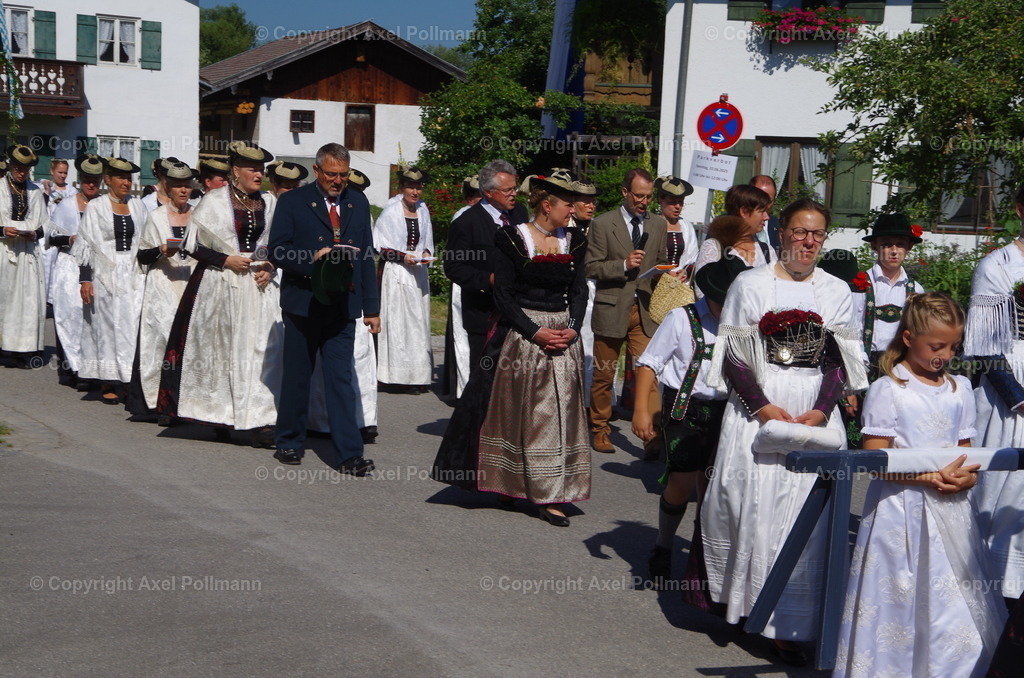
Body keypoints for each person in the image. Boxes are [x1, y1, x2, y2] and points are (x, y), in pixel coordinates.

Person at [700, 198, 867, 665]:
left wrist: (821, 410)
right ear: (781, 232)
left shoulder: (835, 290)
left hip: (814, 410)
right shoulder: (749, 284)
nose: (808, 242)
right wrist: (763, 407)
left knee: (804, 515)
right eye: (799, 232)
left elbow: (840, 360)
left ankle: (792, 624)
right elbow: (735, 356)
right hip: (759, 408)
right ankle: (748, 604)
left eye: (817, 234)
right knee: (750, 505)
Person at [835, 292, 1006, 677]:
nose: (945, 355)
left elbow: (966, 451)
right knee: (900, 593)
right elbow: (875, 457)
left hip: (952, 511)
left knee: (953, 598)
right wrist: (925, 476)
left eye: (953, 347)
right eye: (936, 346)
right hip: (900, 511)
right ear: (909, 338)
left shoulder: (960, 389)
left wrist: (968, 477)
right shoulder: (890, 388)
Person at [433, 169, 590, 525]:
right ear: (547, 205)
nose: (574, 210)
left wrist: (573, 328)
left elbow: (579, 290)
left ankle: (551, 493)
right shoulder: (512, 238)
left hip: (562, 335)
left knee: (557, 414)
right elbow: (503, 294)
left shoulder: (575, 240)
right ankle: (509, 482)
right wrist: (534, 331)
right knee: (517, 413)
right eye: (568, 204)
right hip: (522, 336)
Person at [157, 142, 280, 448]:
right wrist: (226, 260)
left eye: (261, 169)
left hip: (258, 288)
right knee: (222, 350)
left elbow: (280, 243)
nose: (259, 174)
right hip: (221, 285)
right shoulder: (214, 201)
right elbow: (193, 245)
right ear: (235, 170)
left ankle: (262, 419)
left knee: (262, 351)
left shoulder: (269, 202)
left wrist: (271, 266)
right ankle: (219, 415)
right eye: (252, 169)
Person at [634, 254, 747, 587]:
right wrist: (641, 410)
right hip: (685, 410)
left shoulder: (744, 325)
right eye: (722, 300)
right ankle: (664, 545)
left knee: (712, 487)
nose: (728, 307)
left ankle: (701, 554)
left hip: (726, 413)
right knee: (681, 484)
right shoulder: (681, 318)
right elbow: (649, 364)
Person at [268, 142, 378, 475]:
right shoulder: (292, 201)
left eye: (343, 174)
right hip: (303, 304)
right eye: (331, 174)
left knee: (341, 380)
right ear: (317, 170)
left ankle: (349, 453)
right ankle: (289, 441)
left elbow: (366, 257)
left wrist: (372, 308)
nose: (338, 180)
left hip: (342, 305)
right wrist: (311, 260)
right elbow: (277, 250)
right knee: (298, 376)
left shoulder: (358, 202)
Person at [965, 184, 1024, 608]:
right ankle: (993, 590)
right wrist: (1018, 398)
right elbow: (984, 345)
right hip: (1010, 393)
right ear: (1020, 210)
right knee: (1000, 486)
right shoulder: (997, 265)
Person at [585, 168, 669, 455]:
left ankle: (652, 435)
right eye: (639, 196)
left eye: (648, 197)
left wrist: (667, 273)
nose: (644, 202)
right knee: (604, 374)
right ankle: (600, 428)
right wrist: (623, 264)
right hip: (612, 308)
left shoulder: (658, 224)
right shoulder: (602, 223)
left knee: (649, 373)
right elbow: (591, 267)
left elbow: (660, 261)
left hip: (643, 310)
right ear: (624, 192)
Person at [72, 157, 148, 403]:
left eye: (128, 178)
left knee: (131, 325)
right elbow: (85, 246)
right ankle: (108, 380)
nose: (126, 182)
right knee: (106, 326)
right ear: (108, 179)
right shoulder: (96, 207)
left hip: (133, 273)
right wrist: (85, 280)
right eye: (120, 177)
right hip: (104, 273)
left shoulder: (138, 206)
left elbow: (146, 240)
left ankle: (128, 378)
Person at [444, 159, 529, 376]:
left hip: (519, 312)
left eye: (514, 188)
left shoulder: (520, 214)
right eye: (508, 190)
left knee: (514, 376)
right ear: (489, 192)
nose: (514, 194)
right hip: (484, 314)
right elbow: (453, 267)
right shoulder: (466, 223)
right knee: (485, 377)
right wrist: (489, 279)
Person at [128, 161, 198, 419]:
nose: (183, 190)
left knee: (188, 344)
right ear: (168, 187)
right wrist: (161, 249)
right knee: (162, 341)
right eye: (178, 186)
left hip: (190, 282)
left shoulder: (199, 216)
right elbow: (143, 255)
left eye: (187, 185)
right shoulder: (156, 217)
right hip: (163, 285)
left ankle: (185, 403)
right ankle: (159, 402)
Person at [374, 165, 434, 392]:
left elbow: (426, 241)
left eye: (418, 187)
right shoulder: (391, 212)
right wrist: (402, 256)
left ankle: (416, 376)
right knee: (397, 323)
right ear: (402, 188)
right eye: (410, 187)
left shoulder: (423, 210)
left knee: (417, 324)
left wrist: (425, 253)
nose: (415, 192)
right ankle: (393, 376)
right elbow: (380, 246)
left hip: (417, 274)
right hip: (397, 274)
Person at [48, 154, 104, 388]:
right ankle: (70, 369)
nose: (91, 184)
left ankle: (89, 370)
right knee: (69, 316)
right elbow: (51, 237)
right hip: (70, 266)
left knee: (91, 318)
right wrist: (69, 239)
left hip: (95, 268)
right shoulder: (67, 205)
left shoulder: (102, 205)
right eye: (87, 180)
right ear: (80, 180)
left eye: (95, 181)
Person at [857, 213, 925, 378]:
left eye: (900, 244)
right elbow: (852, 329)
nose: (894, 251)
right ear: (874, 246)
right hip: (865, 364)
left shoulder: (916, 289)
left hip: (901, 365)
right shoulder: (861, 284)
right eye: (887, 244)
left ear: (909, 247)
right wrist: (858, 364)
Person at [0, 144, 48, 368]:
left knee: (27, 300)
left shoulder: (35, 192)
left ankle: (23, 349)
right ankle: (3, 346)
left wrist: (34, 233)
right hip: (4, 251)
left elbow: (46, 225)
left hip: (27, 253)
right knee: (5, 298)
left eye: (25, 169)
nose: (21, 172)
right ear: (10, 165)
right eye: (18, 168)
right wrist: (2, 230)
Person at [693, 185, 775, 297]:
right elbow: (702, 291)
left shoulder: (767, 250)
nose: (767, 217)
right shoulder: (715, 247)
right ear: (744, 212)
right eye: (762, 211)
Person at [442, 174, 482, 400]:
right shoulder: (463, 217)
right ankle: (464, 387)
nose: (479, 200)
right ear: (468, 198)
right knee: (462, 333)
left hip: (482, 282)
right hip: (465, 282)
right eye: (475, 196)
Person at [571, 177, 599, 407]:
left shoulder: (599, 227)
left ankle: (591, 402)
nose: (591, 206)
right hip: (570, 291)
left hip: (595, 291)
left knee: (593, 347)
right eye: (586, 201)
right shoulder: (563, 226)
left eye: (593, 202)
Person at [655, 175, 699, 276]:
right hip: (655, 279)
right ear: (661, 200)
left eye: (680, 202)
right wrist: (666, 273)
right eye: (672, 202)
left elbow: (693, 257)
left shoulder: (686, 227)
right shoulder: (652, 224)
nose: (678, 206)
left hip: (680, 281)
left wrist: (685, 271)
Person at [750, 175, 781, 251]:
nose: (765, 205)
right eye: (760, 199)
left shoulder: (778, 225)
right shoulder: (735, 225)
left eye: (769, 201)